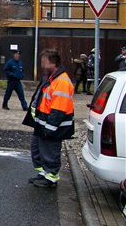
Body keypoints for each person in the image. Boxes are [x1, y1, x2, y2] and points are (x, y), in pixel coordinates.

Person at [23, 49, 74, 188]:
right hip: (43, 124)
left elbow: (58, 110)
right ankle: (44, 174)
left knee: (50, 151)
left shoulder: (61, 82)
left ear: (53, 62)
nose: (41, 63)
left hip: (51, 126)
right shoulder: (51, 79)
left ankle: (51, 178)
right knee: (38, 150)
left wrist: (49, 129)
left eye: (44, 60)